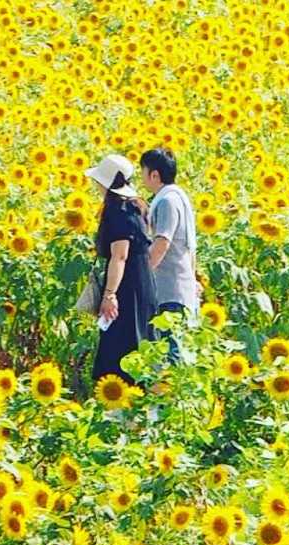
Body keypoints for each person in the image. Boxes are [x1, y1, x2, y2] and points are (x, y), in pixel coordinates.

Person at [85, 154, 156, 387]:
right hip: (143, 281)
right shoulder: (136, 206)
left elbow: (120, 255)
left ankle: (122, 404)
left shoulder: (118, 210)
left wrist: (110, 294)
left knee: (122, 343)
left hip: (127, 285)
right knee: (139, 339)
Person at [140, 147, 199, 366]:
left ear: (154, 175)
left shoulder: (167, 202)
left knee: (170, 354)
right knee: (173, 350)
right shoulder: (177, 197)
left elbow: (162, 242)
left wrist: (142, 275)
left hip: (169, 288)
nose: (142, 178)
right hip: (179, 285)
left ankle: (169, 398)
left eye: (143, 172)